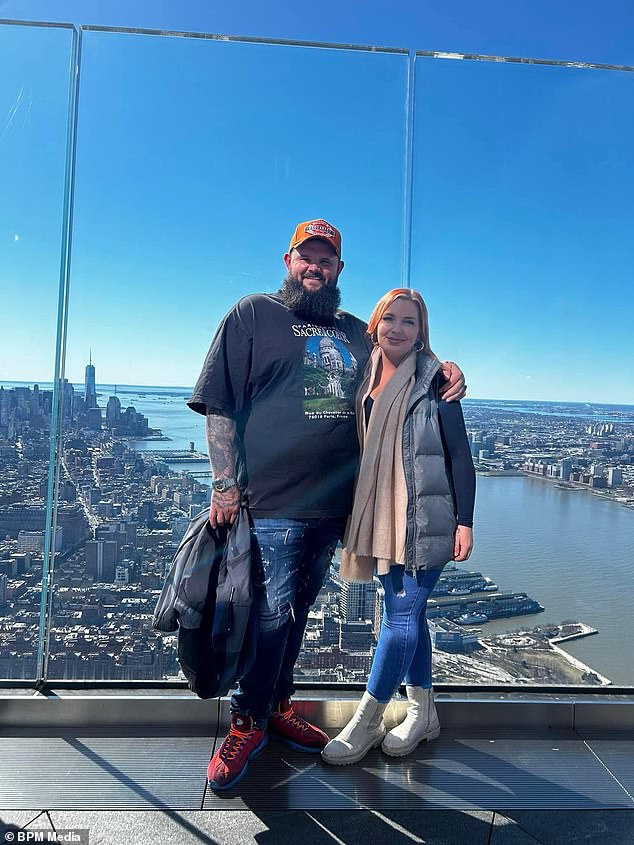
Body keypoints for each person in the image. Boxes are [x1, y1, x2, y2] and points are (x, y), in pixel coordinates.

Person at [187, 221, 466, 790]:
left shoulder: (353, 331)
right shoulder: (252, 315)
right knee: (268, 615)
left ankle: (278, 706)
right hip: (270, 501)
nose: (315, 268)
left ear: (339, 269)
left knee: (297, 614)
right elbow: (219, 402)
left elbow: (407, 349)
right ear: (288, 260)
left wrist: (450, 369)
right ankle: (248, 720)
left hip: (336, 509)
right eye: (306, 259)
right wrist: (223, 483)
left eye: (327, 260)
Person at [321, 288, 475, 766]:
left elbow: (460, 457)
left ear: (421, 331)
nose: (398, 328)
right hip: (378, 518)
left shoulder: (436, 383)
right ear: (375, 323)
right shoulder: (361, 373)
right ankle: (424, 712)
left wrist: (465, 522)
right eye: (390, 318)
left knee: (400, 619)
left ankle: (367, 720)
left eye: (410, 321)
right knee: (411, 617)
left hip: (426, 521)